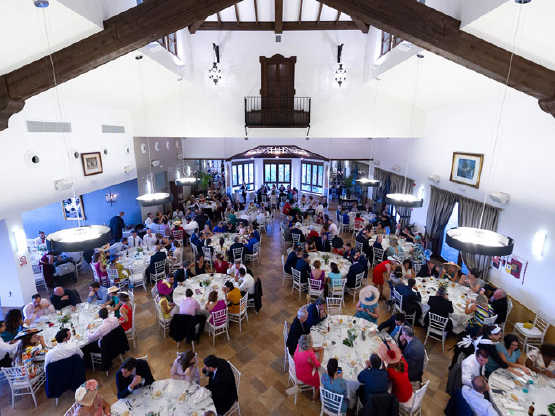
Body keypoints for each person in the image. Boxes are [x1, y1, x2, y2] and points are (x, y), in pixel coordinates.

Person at [379, 340, 413, 405]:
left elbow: (384, 376)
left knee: (385, 389)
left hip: (401, 396)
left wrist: (382, 363)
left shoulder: (390, 370)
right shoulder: (403, 361)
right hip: (408, 390)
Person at [293, 334, 323, 399]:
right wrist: (321, 353)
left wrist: (316, 349)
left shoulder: (299, 346)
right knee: (320, 377)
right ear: (309, 345)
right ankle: (315, 395)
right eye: (311, 342)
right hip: (304, 375)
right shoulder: (309, 355)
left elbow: (308, 348)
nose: (312, 342)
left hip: (297, 370)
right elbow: (317, 364)